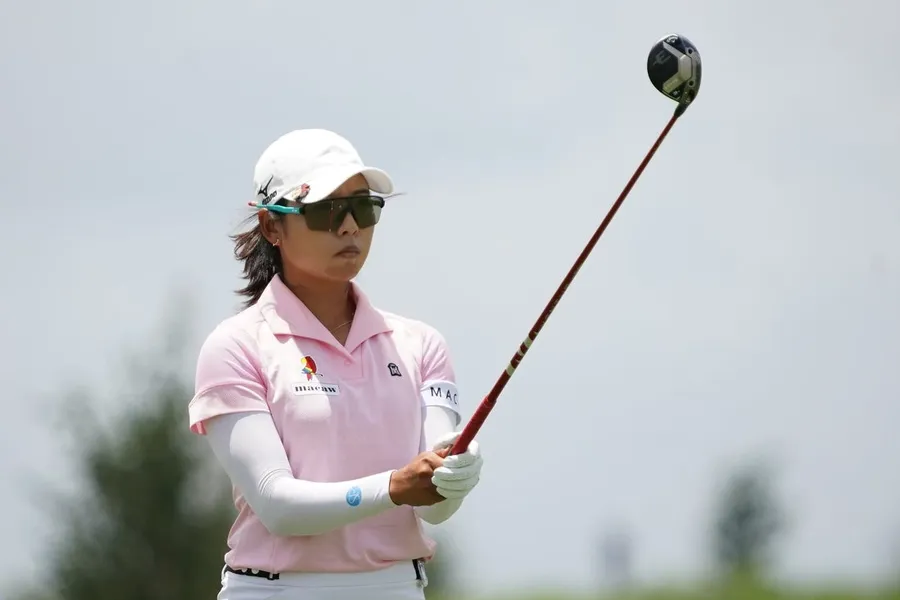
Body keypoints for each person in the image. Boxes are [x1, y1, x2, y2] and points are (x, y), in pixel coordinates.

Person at [187, 128, 484, 600]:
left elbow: (432, 508)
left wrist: (453, 479)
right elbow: (277, 505)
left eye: (363, 208)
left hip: (396, 588)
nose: (349, 227)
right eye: (326, 210)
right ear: (272, 226)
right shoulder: (236, 346)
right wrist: (395, 486)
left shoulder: (421, 344)